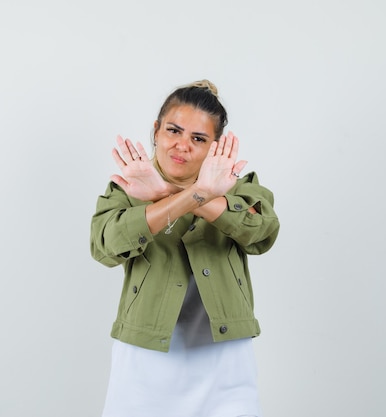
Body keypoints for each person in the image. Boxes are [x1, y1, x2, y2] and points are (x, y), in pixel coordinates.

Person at [90, 80, 280, 417]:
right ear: (156, 130)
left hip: (225, 362)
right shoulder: (128, 188)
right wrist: (182, 194)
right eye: (173, 131)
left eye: (198, 138)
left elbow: (262, 232)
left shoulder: (239, 187)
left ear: (215, 146)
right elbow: (105, 245)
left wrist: (184, 194)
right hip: (145, 362)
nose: (182, 146)